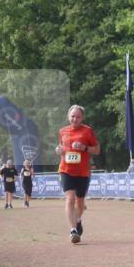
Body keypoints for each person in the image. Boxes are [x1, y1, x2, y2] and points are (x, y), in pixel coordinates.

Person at [56, 104, 100, 244]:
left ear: (82, 118)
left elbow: (97, 150)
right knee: (70, 199)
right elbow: (61, 148)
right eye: (73, 116)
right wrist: (59, 150)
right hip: (66, 170)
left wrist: (84, 147)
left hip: (82, 172)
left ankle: (78, 219)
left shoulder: (87, 131)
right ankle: (73, 230)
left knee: (80, 203)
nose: (75, 119)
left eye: (78, 116)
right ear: (69, 116)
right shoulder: (62, 131)